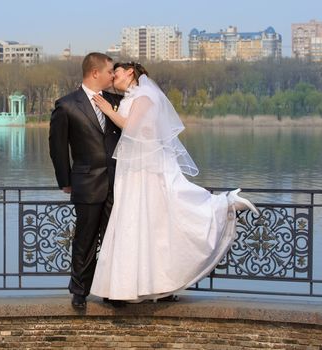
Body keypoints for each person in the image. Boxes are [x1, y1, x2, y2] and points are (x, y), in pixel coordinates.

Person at [90, 62, 259, 303]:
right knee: (142, 225)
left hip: (145, 169)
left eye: (116, 72)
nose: (113, 76)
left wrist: (107, 109)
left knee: (149, 221)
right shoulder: (135, 96)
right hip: (136, 168)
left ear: (130, 72)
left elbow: (131, 126)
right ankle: (141, 287)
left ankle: (225, 204)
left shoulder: (145, 95)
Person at [49, 53, 123, 309]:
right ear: (95, 73)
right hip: (87, 183)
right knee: (85, 239)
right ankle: (79, 291)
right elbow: (57, 148)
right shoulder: (67, 105)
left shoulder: (117, 101)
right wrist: (64, 181)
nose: (112, 76)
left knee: (114, 239)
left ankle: (112, 291)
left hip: (117, 182)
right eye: (110, 71)